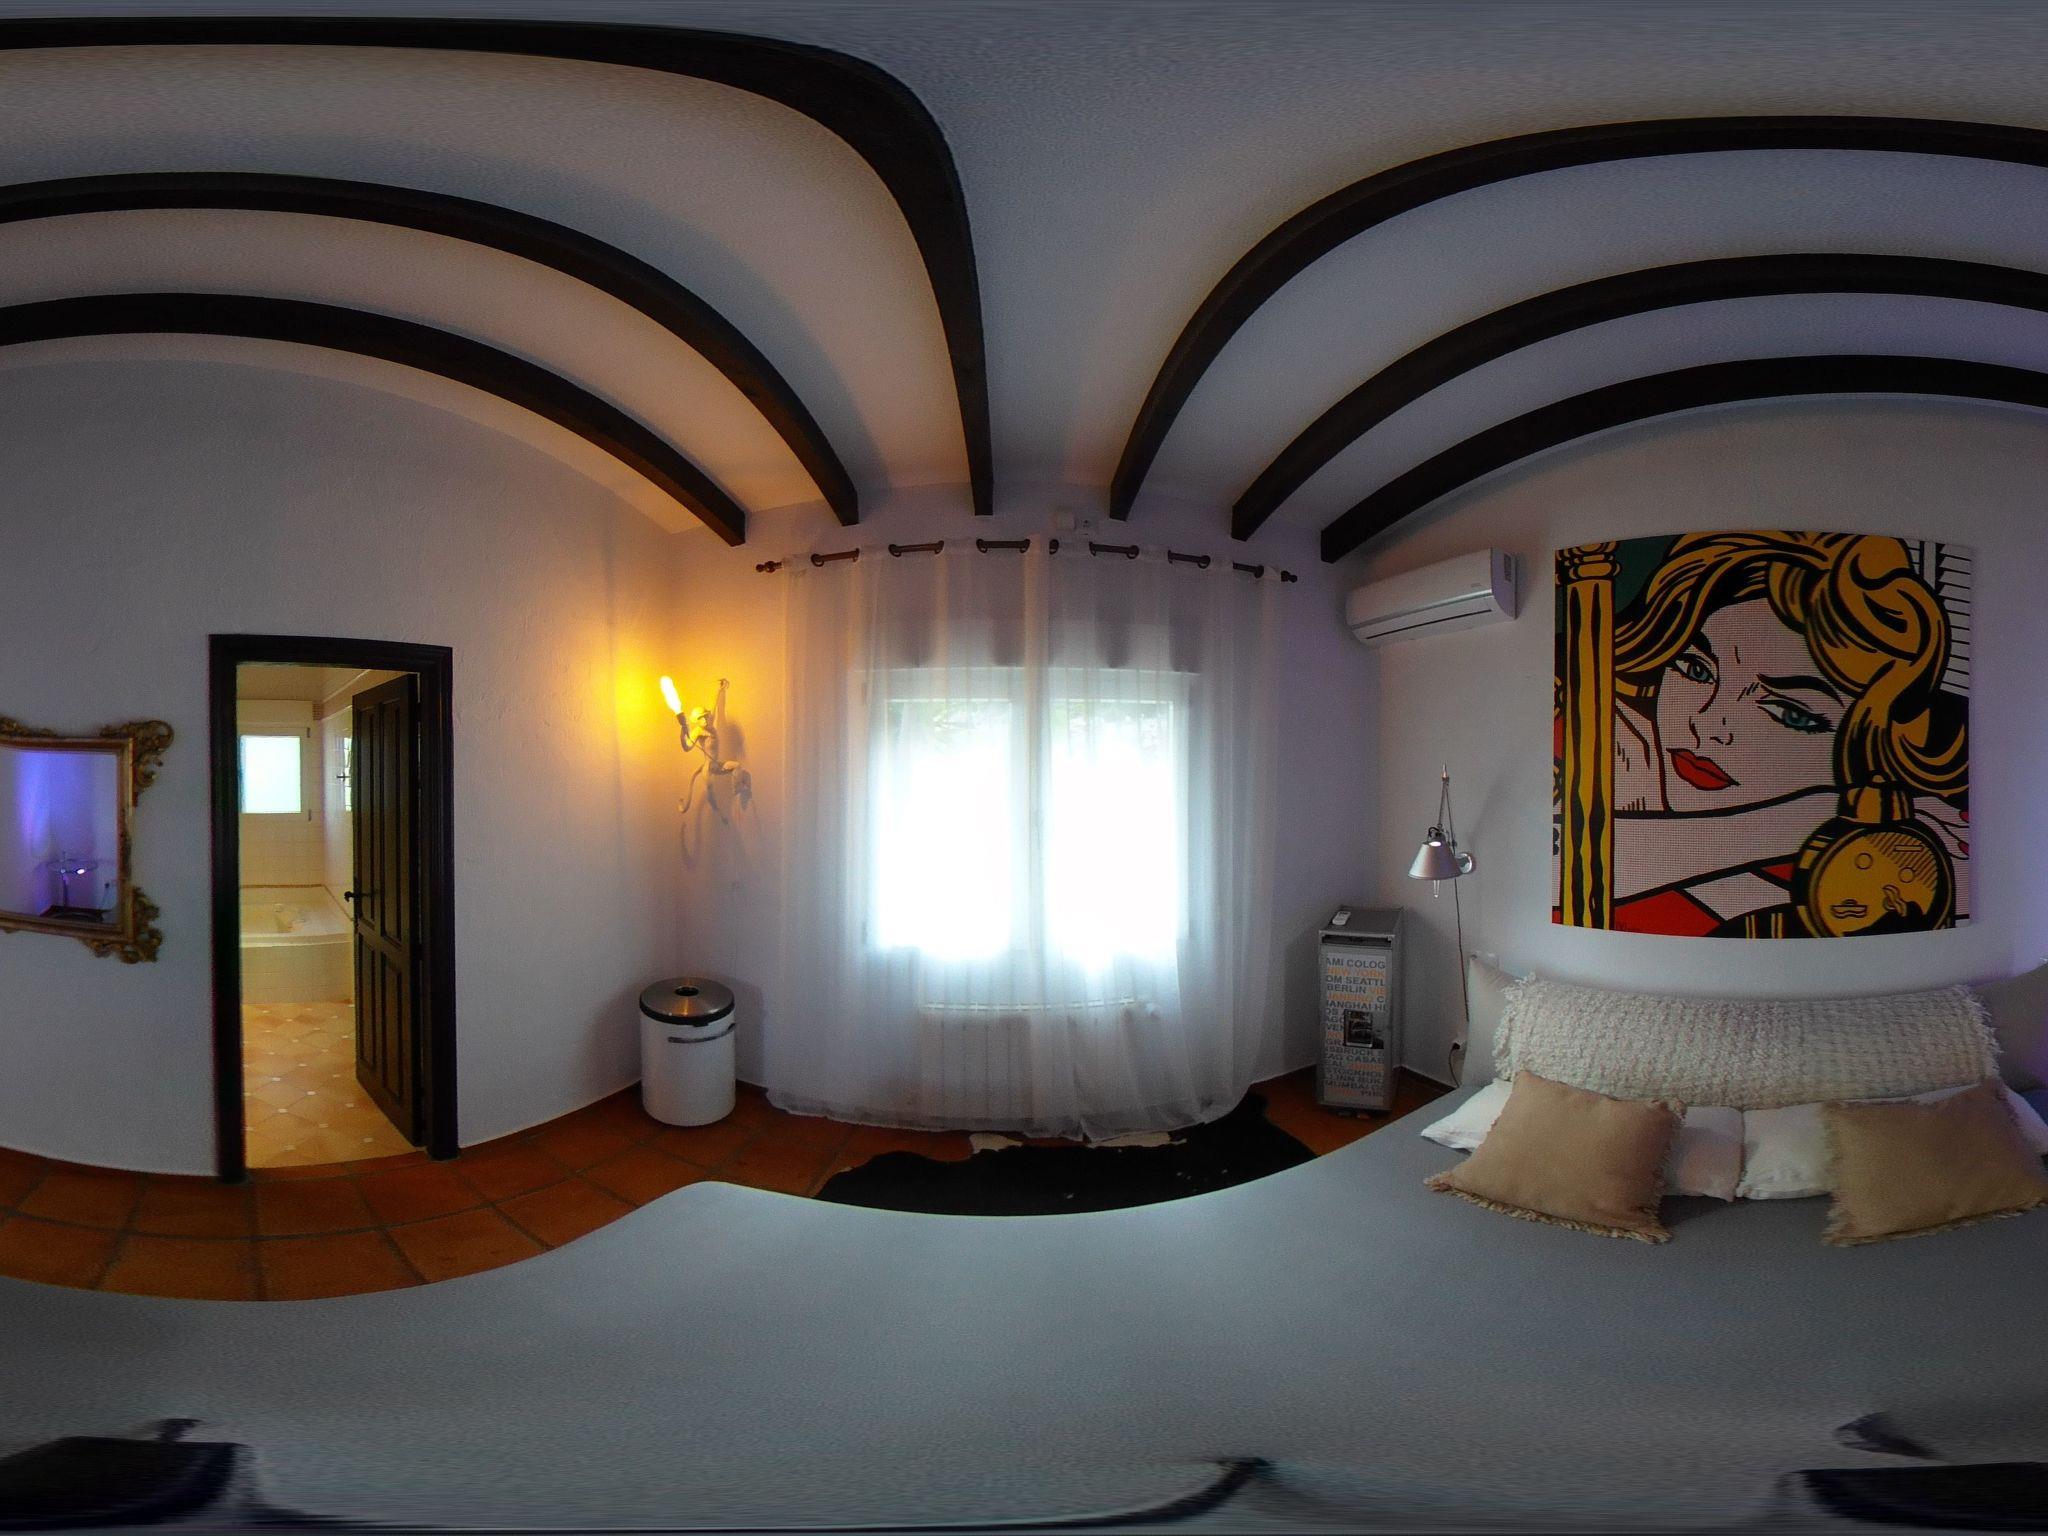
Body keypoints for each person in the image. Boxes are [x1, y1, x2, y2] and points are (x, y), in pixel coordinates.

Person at [1580, 530, 1967, 935]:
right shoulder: (1614, 744)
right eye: (1696, 670)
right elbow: (1560, 857)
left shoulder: (1871, 877)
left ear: (1871, 742)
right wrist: (1814, 816)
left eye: (1789, 713)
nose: (1708, 725)